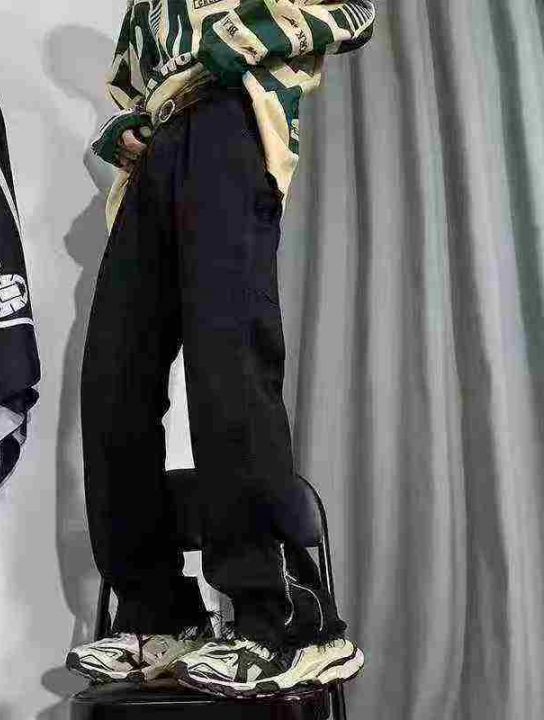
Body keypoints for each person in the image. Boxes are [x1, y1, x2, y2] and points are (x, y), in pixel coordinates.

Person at [67, 0, 376, 699]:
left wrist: (238, 44)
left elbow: (353, 13)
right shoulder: (143, 9)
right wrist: (128, 127)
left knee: (228, 373)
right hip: (157, 160)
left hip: (230, 126)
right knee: (113, 384)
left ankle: (289, 626)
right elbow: (134, 81)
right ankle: (158, 613)